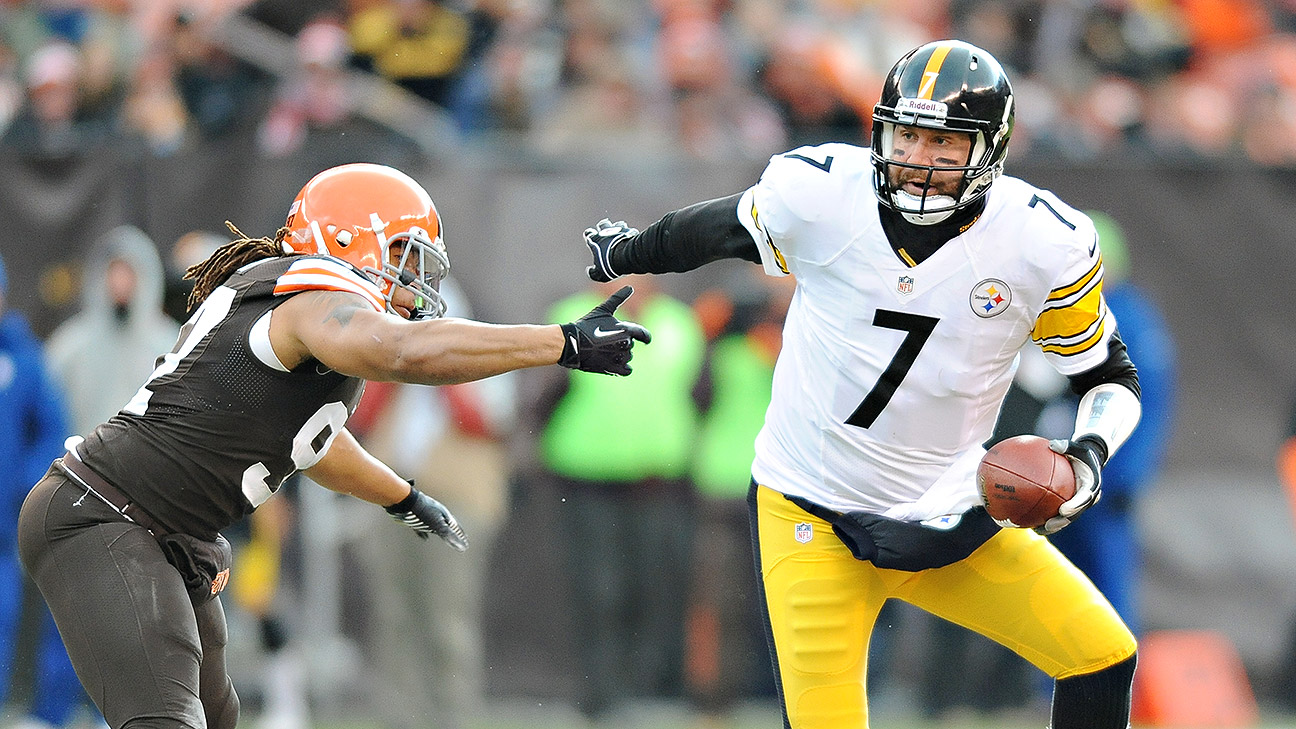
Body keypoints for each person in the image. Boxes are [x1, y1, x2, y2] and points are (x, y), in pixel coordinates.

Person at [579, 39, 1144, 729]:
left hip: (948, 512)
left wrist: (1087, 456)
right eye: (907, 133)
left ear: (991, 151)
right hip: (812, 511)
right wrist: (628, 249)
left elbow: (1109, 374)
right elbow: (720, 230)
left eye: (944, 141)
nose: (918, 157)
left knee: (1101, 654)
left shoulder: (1040, 241)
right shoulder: (824, 194)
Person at [16, 162, 651, 729]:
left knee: (217, 718)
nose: (412, 286)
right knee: (166, 720)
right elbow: (402, 353)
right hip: (107, 515)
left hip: (165, 531)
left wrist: (402, 496)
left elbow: (315, 442)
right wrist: (559, 342)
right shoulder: (306, 298)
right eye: (404, 258)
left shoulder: (298, 314)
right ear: (347, 241)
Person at [534, 275, 705, 721]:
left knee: (652, 583)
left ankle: (645, 686)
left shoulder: (679, 322)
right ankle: (599, 692)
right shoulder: (568, 316)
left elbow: (697, 393)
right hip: (587, 476)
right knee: (598, 586)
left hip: (657, 480)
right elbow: (545, 395)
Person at [0, 251, 92, 729]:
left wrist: (23, 480)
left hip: (1, 526)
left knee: (6, 617)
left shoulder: (23, 358)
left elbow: (50, 429)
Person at [46, 225, 181, 437]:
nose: (120, 282)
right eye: (114, 272)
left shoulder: (171, 346)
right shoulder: (71, 347)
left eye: (129, 273)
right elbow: (47, 418)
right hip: (83, 464)